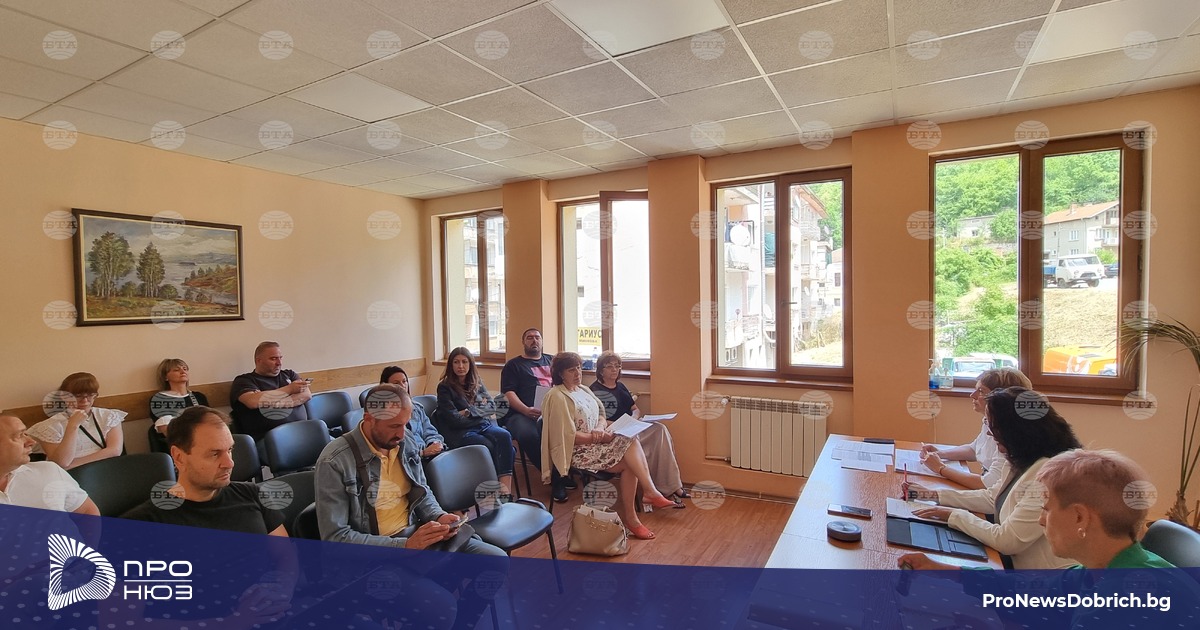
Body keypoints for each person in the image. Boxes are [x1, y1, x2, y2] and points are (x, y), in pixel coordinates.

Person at [902, 387, 1082, 569]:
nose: (988, 433)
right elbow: (991, 498)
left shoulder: (1051, 476)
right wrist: (933, 495)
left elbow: (1007, 540)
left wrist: (953, 515)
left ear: (1016, 430)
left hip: (1041, 578)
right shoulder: (1021, 457)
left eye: (992, 426)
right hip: (1013, 564)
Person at [315, 383, 505, 554]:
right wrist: (404, 545)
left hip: (415, 535)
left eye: (405, 424)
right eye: (394, 426)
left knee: (496, 559)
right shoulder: (334, 461)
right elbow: (335, 538)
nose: (401, 434)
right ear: (369, 419)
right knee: (439, 584)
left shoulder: (405, 441)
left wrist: (438, 516)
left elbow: (422, 491)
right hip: (377, 552)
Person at [542, 352, 681, 540]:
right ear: (560, 374)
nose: (577, 373)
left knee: (630, 456)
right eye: (571, 370)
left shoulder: (583, 389)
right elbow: (566, 436)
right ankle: (646, 497)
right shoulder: (557, 396)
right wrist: (597, 438)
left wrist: (600, 429)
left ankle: (635, 514)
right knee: (630, 445)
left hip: (595, 444)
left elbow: (600, 415)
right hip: (578, 451)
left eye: (579, 368)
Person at [125, 406, 290, 536]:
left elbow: (285, 558)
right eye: (214, 454)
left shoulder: (253, 494)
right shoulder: (143, 524)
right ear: (179, 457)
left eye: (230, 450)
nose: (229, 463)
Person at [590, 351, 687, 501]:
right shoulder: (595, 391)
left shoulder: (620, 387)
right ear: (601, 370)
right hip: (614, 433)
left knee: (660, 429)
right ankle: (656, 488)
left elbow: (635, 409)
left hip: (631, 426)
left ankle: (672, 486)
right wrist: (620, 424)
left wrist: (634, 419)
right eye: (609, 366)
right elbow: (596, 419)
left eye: (617, 366)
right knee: (652, 441)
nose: (614, 369)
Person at [919, 367, 1031, 490]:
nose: (972, 395)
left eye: (981, 391)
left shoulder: (1010, 434)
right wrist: (940, 454)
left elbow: (988, 484)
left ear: (1001, 397)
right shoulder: (990, 421)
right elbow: (975, 449)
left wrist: (940, 468)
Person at [500, 327, 573, 501]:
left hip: (551, 411)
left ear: (542, 341)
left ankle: (564, 471)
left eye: (537, 337)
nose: (534, 340)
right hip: (521, 414)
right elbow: (508, 393)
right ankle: (556, 479)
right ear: (523, 342)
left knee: (565, 431)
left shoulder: (552, 361)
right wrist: (525, 410)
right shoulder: (513, 365)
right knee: (529, 435)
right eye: (530, 337)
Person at [434, 348, 515, 497]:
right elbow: (454, 420)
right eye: (456, 362)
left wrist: (468, 412)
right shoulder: (444, 387)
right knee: (490, 446)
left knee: (505, 435)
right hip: (460, 433)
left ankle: (505, 492)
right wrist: (479, 412)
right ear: (451, 365)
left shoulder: (477, 382)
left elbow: (491, 407)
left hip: (482, 426)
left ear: (470, 364)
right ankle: (491, 492)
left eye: (464, 362)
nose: (460, 366)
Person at [0, 415, 99, 514]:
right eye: (19, 435)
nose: (31, 442)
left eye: (25, 434)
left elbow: (87, 511)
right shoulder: (49, 426)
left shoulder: (48, 470)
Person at [29, 372, 125, 470]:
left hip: (105, 469)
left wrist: (72, 465)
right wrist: (73, 425)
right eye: (78, 396)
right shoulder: (50, 426)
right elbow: (61, 462)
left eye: (90, 395)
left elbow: (115, 450)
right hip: (69, 476)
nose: (85, 401)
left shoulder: (108, 416)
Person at [230, 341, 311, 441]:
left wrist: (274, 402)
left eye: (280, 358)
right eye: (273, 359)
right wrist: (290, 389)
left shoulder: (289, 374)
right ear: (258, 361)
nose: (279, 363)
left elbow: (306, 394)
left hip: (302, 432)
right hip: (269, 439)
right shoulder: (244, 380)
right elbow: (253, 401)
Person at [381, 365, 445, 459]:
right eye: (396, 383)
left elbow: (429, 430)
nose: (402, 386)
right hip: (412, 460)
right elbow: (395, 450)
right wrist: (422, 453)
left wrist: (434, 443)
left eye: (404, 381)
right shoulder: (385, 417)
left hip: (429, 452)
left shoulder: (416, 407)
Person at [147, 358, 210, 453]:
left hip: (206, 441)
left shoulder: (199, 397)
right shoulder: (160, 400)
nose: (182, 371)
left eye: (185, 369)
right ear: (165, 377)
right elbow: (168, 431)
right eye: (176, 370)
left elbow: (210, 421)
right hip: (181, 446)